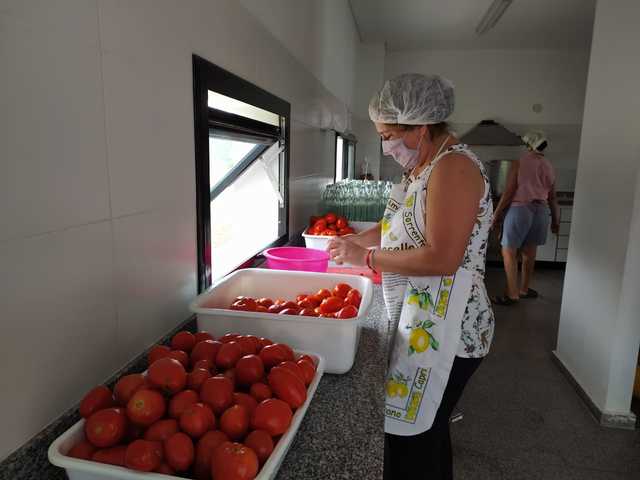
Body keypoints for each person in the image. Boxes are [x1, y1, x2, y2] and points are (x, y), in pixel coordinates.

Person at [327, 73, 494, 480]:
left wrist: (366, 257)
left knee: (416, 435)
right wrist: (353, 239)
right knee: (424, 428)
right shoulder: (422, 166)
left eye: (389, 135)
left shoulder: (453, 168)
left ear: (420, 127)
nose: (386, 146)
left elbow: (442, 257)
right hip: (425, 317)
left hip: (454, 327)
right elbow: (395, 225)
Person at [491, 131, 560, 305]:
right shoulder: (549, 166)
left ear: (528, 146)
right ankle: (524, 289)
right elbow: (552, 197)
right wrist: (555, 220)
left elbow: (508, 192)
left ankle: (512, 294)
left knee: (508, 251)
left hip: (520, 209)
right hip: (542, 211)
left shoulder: (520, 163)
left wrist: (496, 215)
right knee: (529, 252)